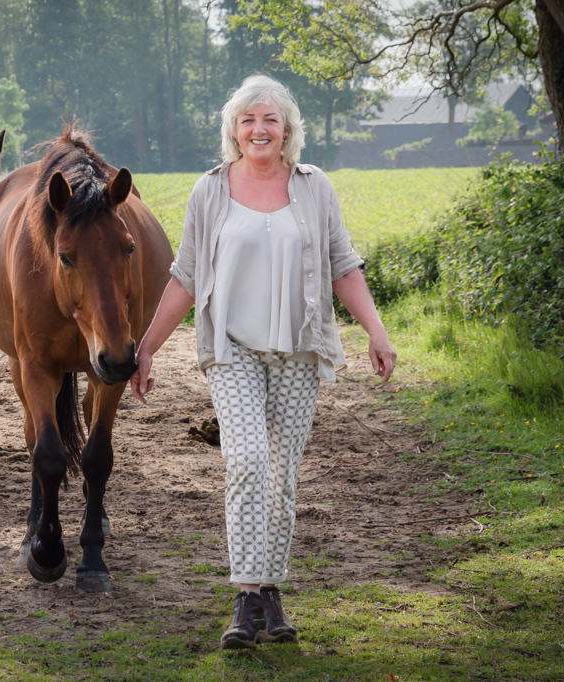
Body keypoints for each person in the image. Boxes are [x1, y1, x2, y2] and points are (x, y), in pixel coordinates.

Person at [130, 74, 397, 650]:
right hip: (233, 351)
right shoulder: (210, 190)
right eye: (248, 120)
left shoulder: (313, 186)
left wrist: (376, 332)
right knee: (248, 459)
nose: (259, 129)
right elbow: (186, 275)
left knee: (282, 477)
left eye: (270, 120)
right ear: (234, 130)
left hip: (299, 350)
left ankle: (271, 591)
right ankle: (246, 595)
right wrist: (147, 346)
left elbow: (342, 266)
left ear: (287, 131)